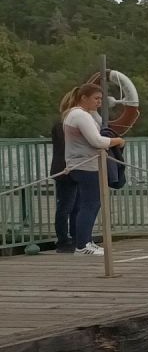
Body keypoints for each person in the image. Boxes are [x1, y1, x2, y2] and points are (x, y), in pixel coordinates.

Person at [60, 83, 125, 256]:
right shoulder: (80, 115)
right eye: (96, 99)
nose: (99, 102)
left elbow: (97, 125)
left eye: (101, 99)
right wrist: (117, 141)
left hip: (80, 165)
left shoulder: (77, 114)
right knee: (90, 204)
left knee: (87, 204)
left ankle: (85, 241)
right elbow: (97, 141)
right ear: (84, 98)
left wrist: (94, 110)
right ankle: (82, 245)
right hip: (86, 166)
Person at [50, 89, 77, 253]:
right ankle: (63, 240)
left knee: (72, 205)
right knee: (65, 206)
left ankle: (73, 237)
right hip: (65, 170)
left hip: (68, 168)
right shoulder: (62, 126)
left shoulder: (60, 125)